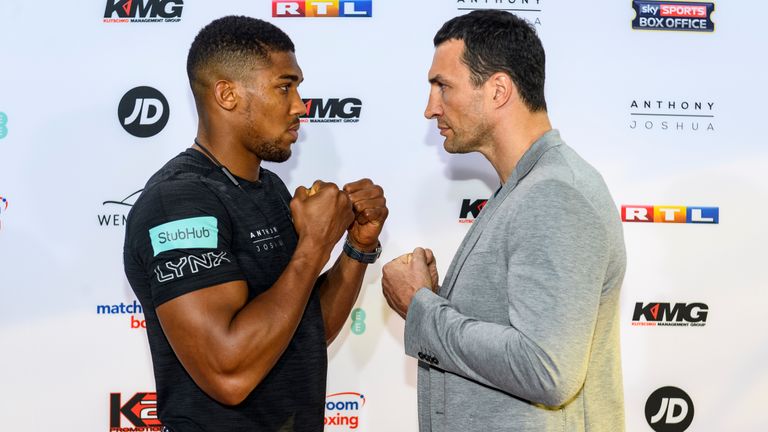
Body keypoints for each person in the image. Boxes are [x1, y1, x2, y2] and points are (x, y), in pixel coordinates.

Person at [123, 16, 387, 432]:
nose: (300, 105)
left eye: (298, 87)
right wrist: (315, 244)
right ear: (227, 94)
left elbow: (305, 331)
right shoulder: (178, 202)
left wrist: (357, 248)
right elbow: (229, 373)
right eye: (284, 86)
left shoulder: (268, 189)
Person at [382, 10, 626, 432]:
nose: (430, 108)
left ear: (498, 90)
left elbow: (545, 369)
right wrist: (438, 300)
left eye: (442, 86)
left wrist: (421, 309)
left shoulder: (554, 193)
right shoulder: (525, 186)